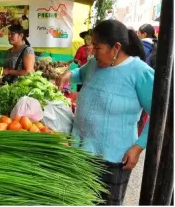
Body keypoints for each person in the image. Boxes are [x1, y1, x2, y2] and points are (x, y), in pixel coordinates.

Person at [56, 20, 153, 205]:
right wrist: (68, 75)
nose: (91, 51)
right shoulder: (95, 63)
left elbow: (159, 114)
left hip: (114, 159)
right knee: (80, 201)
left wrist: (138, 147)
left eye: (97, 47)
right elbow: (81, 73)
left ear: (116, 47)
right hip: (81, 150)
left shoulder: (139, 72)